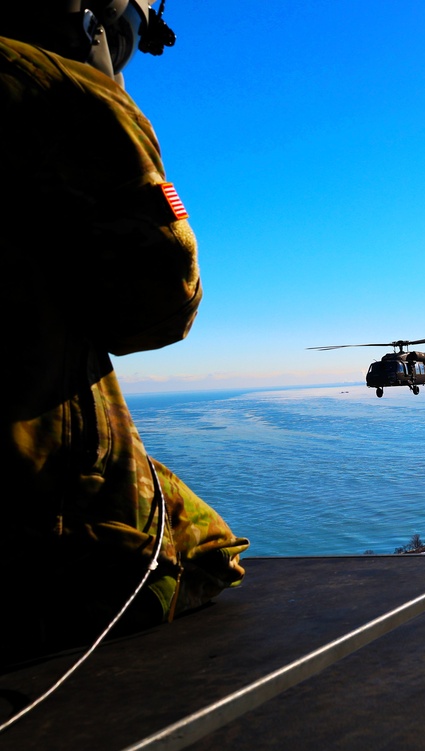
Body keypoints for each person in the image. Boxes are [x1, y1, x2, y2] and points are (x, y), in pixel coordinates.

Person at [0, 0, 249, 664]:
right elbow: (161, 309)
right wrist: (107, 96)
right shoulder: (51, 88)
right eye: (129, 35)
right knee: (207, 551)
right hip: (42, 547)